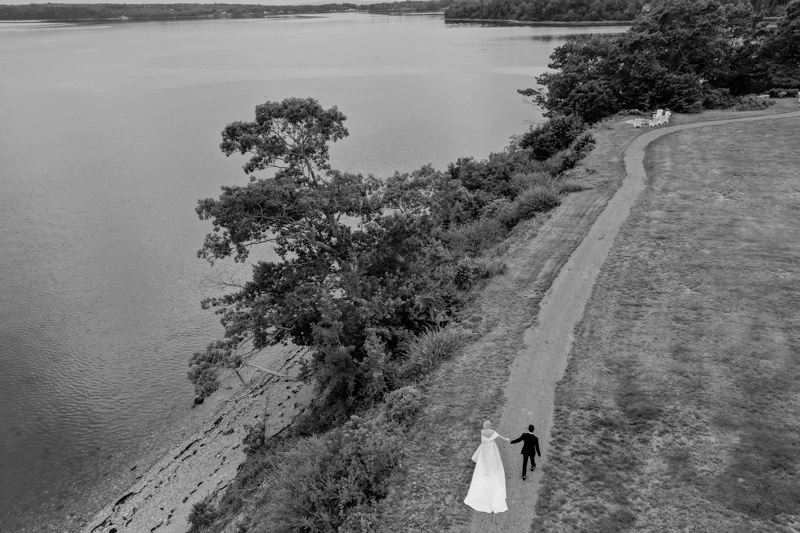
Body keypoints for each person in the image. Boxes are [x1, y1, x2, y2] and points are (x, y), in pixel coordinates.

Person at [464, 420, 510, 513]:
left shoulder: (482, 432)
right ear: (489, 425)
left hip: (485, 449)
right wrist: (507, 439)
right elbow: (500, 436)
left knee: (484, 461)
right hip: (491, 448)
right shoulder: (492, 432)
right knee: (493, 461)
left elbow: (483, 441)